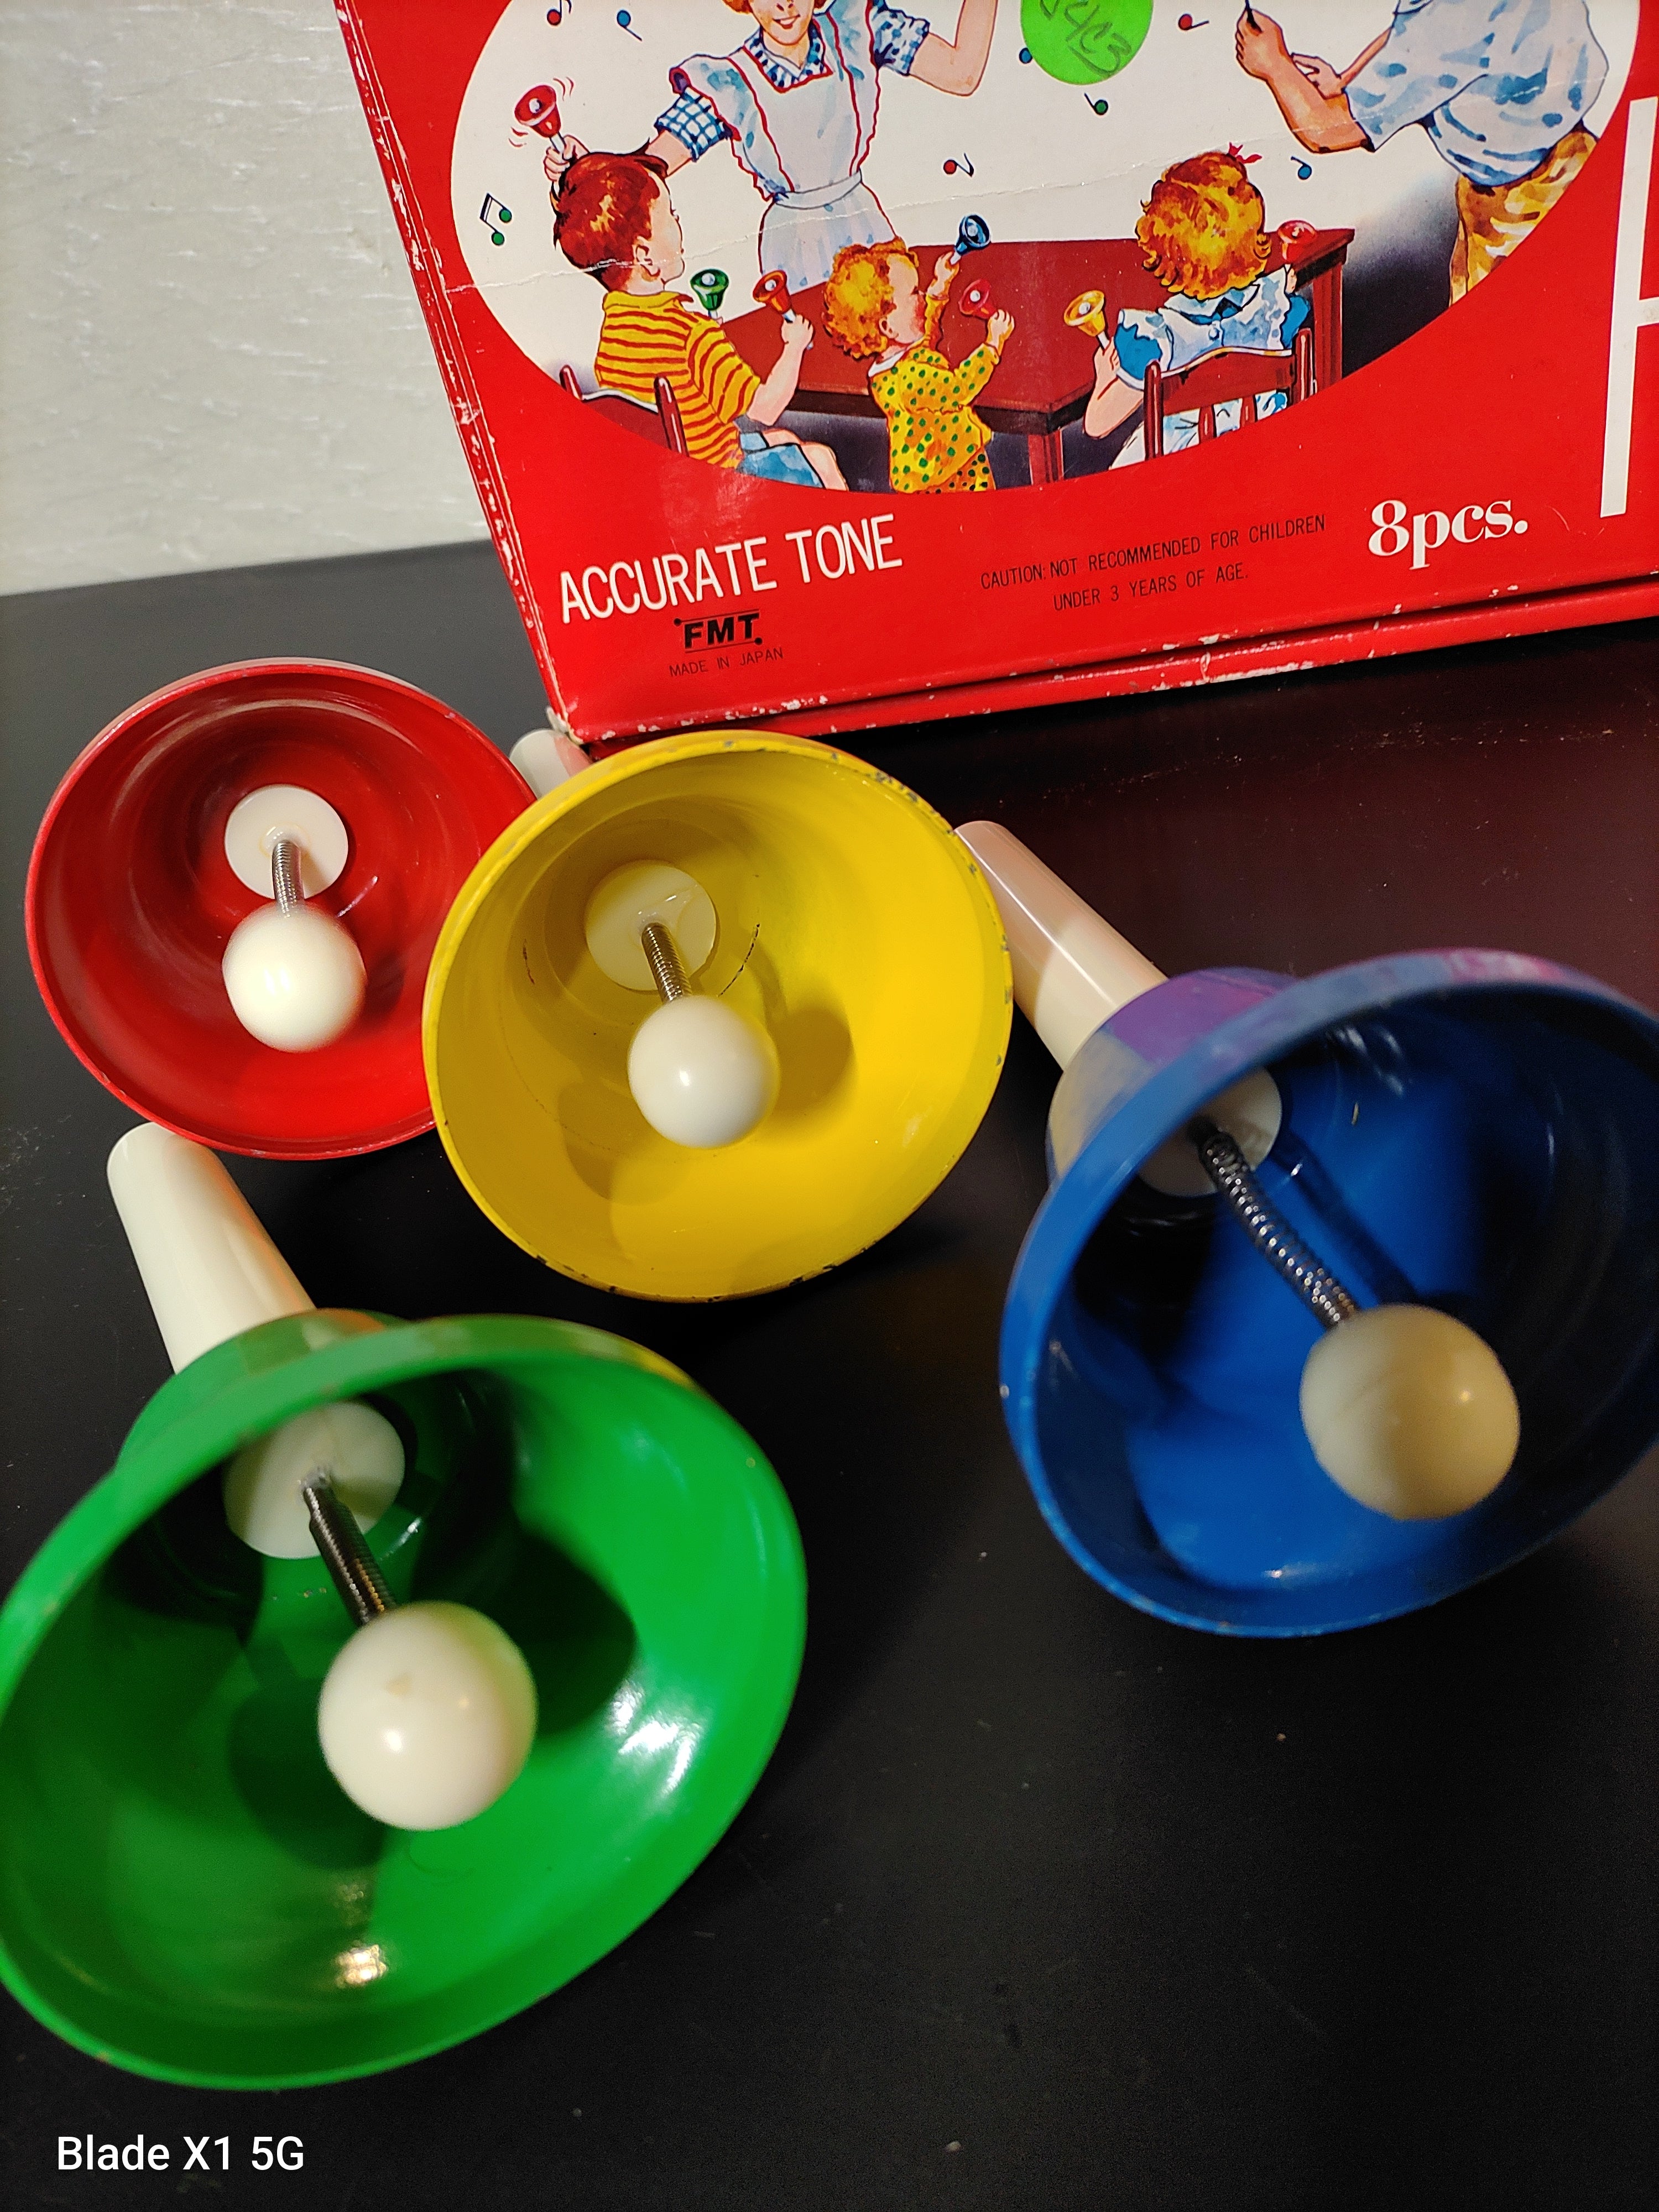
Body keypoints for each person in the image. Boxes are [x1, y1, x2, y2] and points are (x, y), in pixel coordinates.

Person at [549, 0, 1000, 295]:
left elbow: (961, 73)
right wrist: (585, 168)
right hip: (796, 246)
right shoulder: (729, 82)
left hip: (864, 223)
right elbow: (649, 168)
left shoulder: (858, 27)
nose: (785, 5)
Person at [1234, 2, 1608, 298]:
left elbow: (1324, 131)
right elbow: (1406, 34)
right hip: (1570, 156)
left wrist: (1274, 65)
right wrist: (1347, 82)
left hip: (1519, 213)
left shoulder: (1444, 27)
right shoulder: (1442, 20)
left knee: (1490, 341)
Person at [555, 151, 846, 487]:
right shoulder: (692, 334)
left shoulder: (612, 331)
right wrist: (794, 347)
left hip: (671, 470)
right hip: (716, 477)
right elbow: (765, 409)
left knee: (785, 439)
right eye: (671, 216)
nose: (678, 224)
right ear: (645, 256)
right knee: (820, 458)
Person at [1083, 149, 1308, 461]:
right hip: (1264, 448)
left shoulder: (1156, 338)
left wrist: (1104, 377)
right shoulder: (1276, 309)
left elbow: (1097, 424)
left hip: (1186, 462)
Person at [822, 239, 1012, 492]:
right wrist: (992, 345)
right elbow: (959, 389)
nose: (922, 297)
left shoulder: (894, 364)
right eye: (914, 293)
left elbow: (927, 332)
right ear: (888, 327)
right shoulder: (910, 378)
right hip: (952, 477)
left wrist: (940, 285)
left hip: (942, 469)